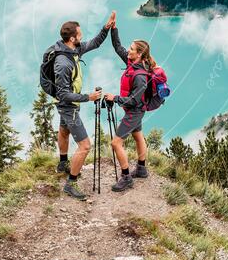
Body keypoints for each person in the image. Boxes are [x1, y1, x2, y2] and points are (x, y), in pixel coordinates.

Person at [55, 11, 116, 200]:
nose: (82, 36)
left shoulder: (72, 49)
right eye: (79, 34)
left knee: (63, 131)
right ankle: (71, 184)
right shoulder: (63, 63)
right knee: (85, 146)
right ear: (72, 38)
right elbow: (63, 93)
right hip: (68, 106)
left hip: (67, 105)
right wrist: (87, 97)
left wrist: (107, 28)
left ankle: (63, 163)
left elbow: (95, 43)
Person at [103, 21, 156, 192]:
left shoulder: (140, 76)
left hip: (134, 111)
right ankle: (141, 169)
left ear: (139, 54)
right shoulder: (132, 64)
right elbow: (118, 47)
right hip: (135, 110)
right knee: (138, 136)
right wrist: (114, 28)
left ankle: (126, 178)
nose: (129, 50)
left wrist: (115, 98)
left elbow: (133, 100)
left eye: (132, 49)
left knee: (116, 143)